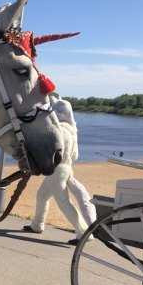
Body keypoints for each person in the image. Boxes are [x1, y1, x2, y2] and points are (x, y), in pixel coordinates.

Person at [23, 93, 97, 245]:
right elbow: (75, 155)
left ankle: (83, 233)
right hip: (66, 168)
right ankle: (37, 224)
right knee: (42, 195)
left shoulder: (59, 130)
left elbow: (50, 150)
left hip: (58, 169)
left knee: (63, 202)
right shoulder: (72, 131)